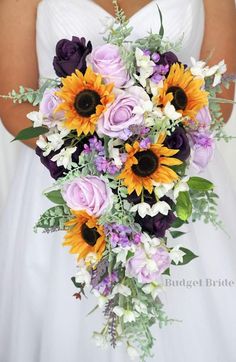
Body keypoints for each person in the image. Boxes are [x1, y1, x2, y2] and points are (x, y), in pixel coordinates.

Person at [0, 1, 235, 361]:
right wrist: (98, 153)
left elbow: (221, 97)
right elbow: (12, 104)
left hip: (172, 176)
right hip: (66, 188)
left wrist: (153, 145)